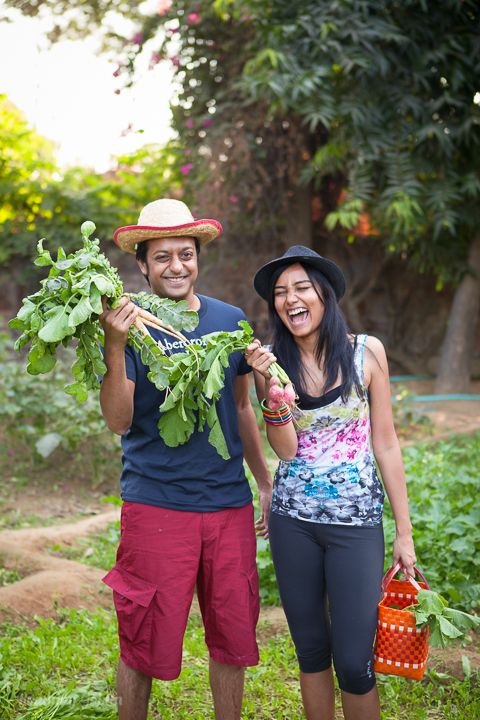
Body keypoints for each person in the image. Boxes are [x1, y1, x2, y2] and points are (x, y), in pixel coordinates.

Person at [99, 198, 272, 720]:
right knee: (143, 635)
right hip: (156, 503)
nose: (176, 266)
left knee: (233, 635)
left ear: (198, 257)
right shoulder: (127, 323)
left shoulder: (230, 319)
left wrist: (262, 481)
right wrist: (113, 343)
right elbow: (119, 420)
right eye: (162, 257)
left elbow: (241, 407)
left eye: (185, 254)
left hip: (226, 503)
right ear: (143, 266)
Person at [245, 245, 416, 720]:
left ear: (324, 294)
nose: (291, 300)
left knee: (355, 662)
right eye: (281, 293)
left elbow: (386, 443)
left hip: (357, 525)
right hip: (292, 523)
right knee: (312, 651)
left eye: (302, 287)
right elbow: (285, 449)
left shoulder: (367, 352)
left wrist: (404, 533)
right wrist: (274, 396)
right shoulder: (271, 363)